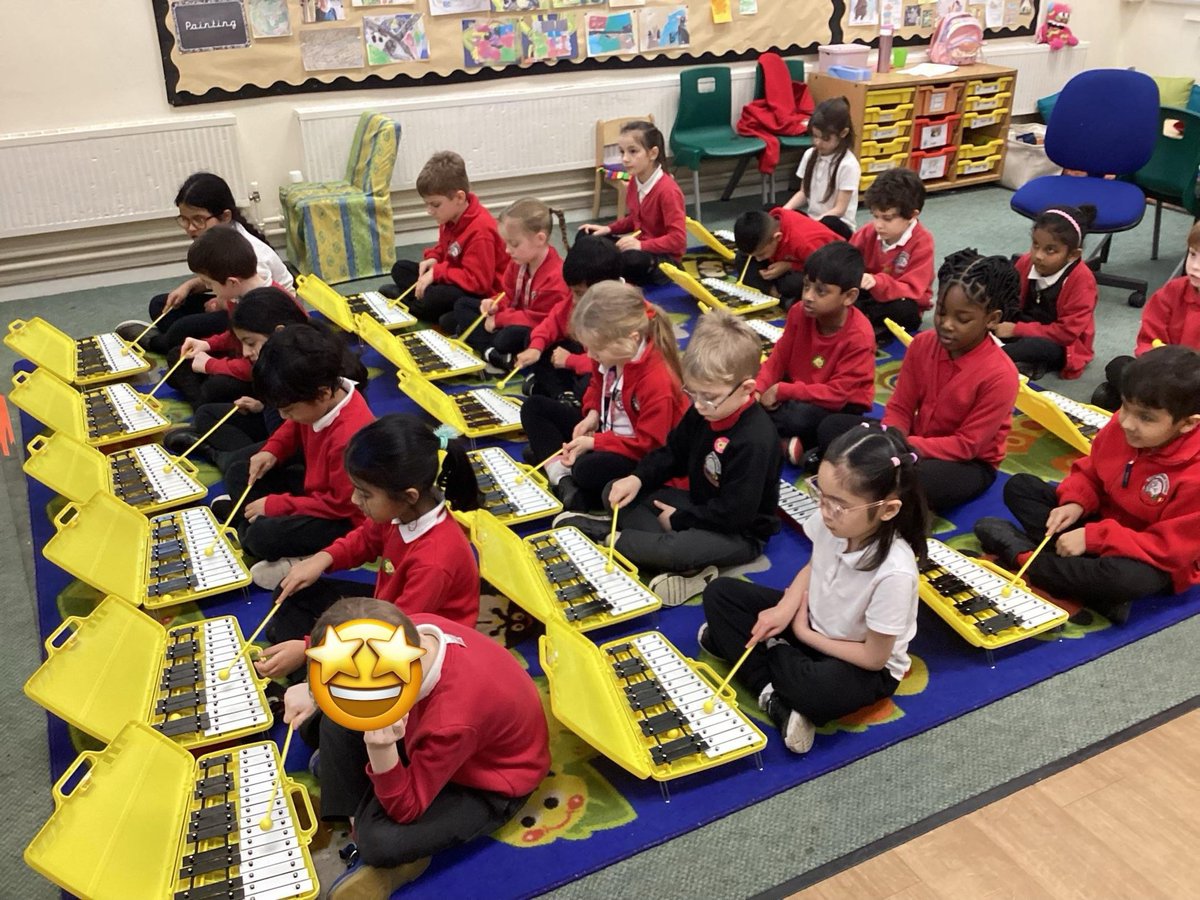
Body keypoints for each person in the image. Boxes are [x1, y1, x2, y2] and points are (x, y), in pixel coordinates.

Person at [283, 598, 550, 899]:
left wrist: (380, 751)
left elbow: (407, 809)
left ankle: (375, 836)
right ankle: (361, 805)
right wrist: (314, 692)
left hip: (489, 782)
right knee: (331, 719)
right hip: (431, 734)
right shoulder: (409, 630)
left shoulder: (450, 719)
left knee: (379, 841)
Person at [701, 424, 927, 753]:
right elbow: (814, 566)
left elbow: (875, 658)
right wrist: (785, 608)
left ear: (888, 509)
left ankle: (764, 652)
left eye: (838, 504)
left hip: (859, 662)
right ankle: (773, 695)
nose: (824, 510)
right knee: (720, 594)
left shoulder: (895, 573)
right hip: (813, 619)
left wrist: (804, 635)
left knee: (816, 692)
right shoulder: (831, 520)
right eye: (820, 493)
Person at [557, 311, 781, 605]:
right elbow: (673, 453)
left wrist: (679, 519)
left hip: (740, 533)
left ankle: (611, 538)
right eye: (693, 393)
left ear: (747, 389)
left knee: (672, 549)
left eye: (709, 397)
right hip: (699, 507)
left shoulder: (755, 440)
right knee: (615, 492)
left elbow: (735, 513)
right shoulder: (705, 411)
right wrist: (636, 479)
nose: (698, 405)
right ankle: (664, 556)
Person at [976, 345, 1200, 626]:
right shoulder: (1123, 427)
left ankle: (1023, 558)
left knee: (1128, 579)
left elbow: (1170, 550)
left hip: (1148, 557)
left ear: (1188, 424)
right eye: (1125, 407)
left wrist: (1093, 538)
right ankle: (1093, 590)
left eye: (1145, 418)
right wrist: (1075, 501)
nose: (1127, 423)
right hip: (1101, 525)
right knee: (1020, 487)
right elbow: (1091, 470)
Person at [252, 414, 482, 680]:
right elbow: (365, 539)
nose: (353, 499)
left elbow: (394, 633)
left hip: (418, 644)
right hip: (390, 607)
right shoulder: (402, 512)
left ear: (409, 496)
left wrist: (308, 648)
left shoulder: (435, 561)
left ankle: (307, 678)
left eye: (364, 493)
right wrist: (322, 558)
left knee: (333, 716)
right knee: (292, 591)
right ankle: (303, 666)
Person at [817, 250, 1021, 513]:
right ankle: (869, 484)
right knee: (832, 426)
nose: (946, 325)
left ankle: (869, 489)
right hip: (910, 440)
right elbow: (901, 406)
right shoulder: (923, 344)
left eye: (962, 319)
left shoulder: (1000, 374)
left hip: (967, 463)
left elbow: (967, 445)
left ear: (991, 319)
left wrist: (902, 448)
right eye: (941, 312)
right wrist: (891, 439)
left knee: (914, 481)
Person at [220, 322, 375, 589]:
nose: (283, 416)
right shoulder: (317, 400)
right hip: (317, 492)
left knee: (262, 535)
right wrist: (272, 450)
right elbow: (295, 425)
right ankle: (248, 521)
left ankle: (282, 547)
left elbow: (341, 506)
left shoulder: (349, 437)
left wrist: (278, 505)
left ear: (323, 394)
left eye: (289, 409)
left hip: (344, 519)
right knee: (240, 471)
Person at [520, 281, 686, 511]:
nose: (591, 355)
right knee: (534, 407)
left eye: (596, 350)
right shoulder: (608, 352)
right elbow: (596, 387)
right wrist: (592, 415)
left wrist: (595, 443)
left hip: (638, 453)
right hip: (608, 432)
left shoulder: (657, 381)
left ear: (633, 338)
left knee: (587, 468)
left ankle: (561, 471)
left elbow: (650, 446)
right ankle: (565, 480)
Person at [116, 172, 293, 352]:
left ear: (225, 217)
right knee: (161, 305)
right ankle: (188, 338)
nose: (190, 228)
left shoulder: (251, 253)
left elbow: (260, 306)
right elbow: (222, 278)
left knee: (184, 327)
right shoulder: (218, 239)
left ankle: (160, 343)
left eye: (198, 220)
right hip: (235, 299)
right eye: (184, 219)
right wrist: (190, 286)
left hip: (264, 316)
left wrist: (221, 304)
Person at [755, 242, 876, 464]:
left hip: (838, 404)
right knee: (746, 387)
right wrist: (758, 389)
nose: (808, 296)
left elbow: (836, 395)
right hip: (800, 389)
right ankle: (787, 442)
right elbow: (778, 357)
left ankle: (779, 438)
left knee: (803, 418)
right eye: (806, 286)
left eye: (820, 291)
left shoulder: (859, 335)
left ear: (849, 297)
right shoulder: (798, 312)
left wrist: (783, 390)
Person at [162, 286, 309, 459]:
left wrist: (211, 364)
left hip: (295, 443)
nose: (247, 352)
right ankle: (229, 454)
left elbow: (299, 435)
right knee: (205, 414)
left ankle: (218, 456)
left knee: (239, 470)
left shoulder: (300, 367)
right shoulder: (275, 359)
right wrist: (261, 406)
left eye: (251, 344)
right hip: (276, 425)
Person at [166, 228, 296, 406]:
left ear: (232, 282)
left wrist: (210, 365)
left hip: (268, 374)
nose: (208, 288)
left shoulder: (269, 306)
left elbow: (261, 365)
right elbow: (235, 335)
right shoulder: (236, 295)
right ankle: (204, 399)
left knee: (217, 387)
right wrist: (207, 344)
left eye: (210, 284)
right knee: (179, 356)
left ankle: (202, 405)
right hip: (241, 359)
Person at [446, 197, 570, 373]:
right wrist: (495, 304)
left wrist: (499, 319)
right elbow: (508, 296)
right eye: (507, 244)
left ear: (540, 239)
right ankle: (494, 354)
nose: (507, 251)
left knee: (506, 337)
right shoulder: (518, 261)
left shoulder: (555, 277)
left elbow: (539, 319)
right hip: (513, 317)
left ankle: (489, 348)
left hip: (534, 329)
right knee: (462, 306)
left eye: (514, 244)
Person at [380, 151, 507, 323]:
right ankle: (419, 299)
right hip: (453, 277)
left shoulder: (481, 231)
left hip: (481, 292)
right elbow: (444, 248)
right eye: (427, 204)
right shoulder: (449, 217)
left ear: (459, 197)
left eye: (435, 204)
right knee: (400, 268)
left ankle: (415, 305)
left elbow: (478, 283)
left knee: (440, 298)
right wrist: (434, 258)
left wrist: (437, 273)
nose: (429, 211)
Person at [1090, 221, 1200, 411]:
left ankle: (1137, 404)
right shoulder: (1174, 290)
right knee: (1120, 366)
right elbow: (1149, 340)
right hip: (1161, 375)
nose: (1195, 266)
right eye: (1192, 254)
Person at [514, 234, 623, 403]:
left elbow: (612, 364)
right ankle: (563, 395)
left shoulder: (623, 312)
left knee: (587, 385)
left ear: (602, 287)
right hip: (583, 357)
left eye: (579, 293)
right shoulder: (579, 300)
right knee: (534, 340)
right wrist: (536, 347)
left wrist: (570, 361)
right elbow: (552, 322)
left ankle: (560, 394)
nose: (573, 299)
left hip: (605, 369)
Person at [578, 120, 687, 285]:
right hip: (641, 246)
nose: (625, 159)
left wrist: (641, 246)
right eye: (622, 152)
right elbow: (635, 219)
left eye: (633, 151)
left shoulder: (668, 191)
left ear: (652, 153)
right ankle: (605, 275)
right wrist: (607, 228)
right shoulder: (634, 181)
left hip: (664, 259)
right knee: (586, 235)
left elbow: (678, 240)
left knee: (630, 259)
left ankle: (608, 277)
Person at [997, 204, 1098, 381]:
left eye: (1050, 250)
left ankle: (993, 359)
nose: (1038, 255)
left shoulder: (1082, 280)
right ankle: (1020, 360)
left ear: (1073, 255)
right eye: (1035, 245)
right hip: (1024, 324)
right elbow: (1009, 299)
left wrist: (1016, 330)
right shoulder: (1026, 262)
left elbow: (1066, 333)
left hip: (1060, 342)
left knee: (1034, 347)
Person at [848, 167, 935, 345]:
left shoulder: (922, 242)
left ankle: (868, 325)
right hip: (870, 295)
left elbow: (914, 290)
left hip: (901, 301)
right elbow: (848, 258)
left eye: (887, 218)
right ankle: (864, 322)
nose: (878, 225)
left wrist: (877, 282)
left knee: (903, 309)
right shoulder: (869, 232)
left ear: (912, 215)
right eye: (875, 216)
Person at [731, 207, 842, 309]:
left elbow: (823, 269)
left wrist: (789, 266)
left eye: (761, 254)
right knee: (741, 258)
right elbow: (754, 255)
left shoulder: (803, 242)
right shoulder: (768, 228)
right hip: (783, 259)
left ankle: (781, 297)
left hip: (823, 263)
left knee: (792, 283)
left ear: (777, 237)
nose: (759, 259)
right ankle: (773, 292)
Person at [781, 96, 861, 239]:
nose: (817, 142)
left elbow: (840, 209)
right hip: (815, 220)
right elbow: (804, 192)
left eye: (825, 139)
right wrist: (784, 211)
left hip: (837, 225)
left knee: (828, 222)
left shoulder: (848, 165)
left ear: (843, 133)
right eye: (815, 136)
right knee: (776, 213)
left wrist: (813, 224)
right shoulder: (810, 155)